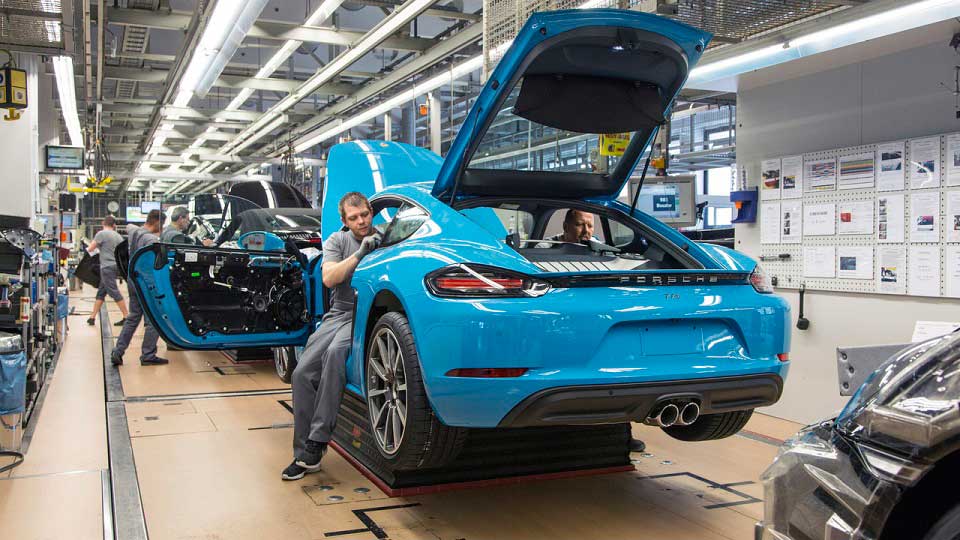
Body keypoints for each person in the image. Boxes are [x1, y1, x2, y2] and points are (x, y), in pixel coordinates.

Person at [282, 192, 381, 481]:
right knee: (301, 374)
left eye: (364, 214)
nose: (361, 221)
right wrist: (361, 253)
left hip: (365, 314)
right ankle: (303, 456)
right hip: (339, 312)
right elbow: (329, 278)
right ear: (344, 220)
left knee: (336, 355)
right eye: (354, 218)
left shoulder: (387, 239)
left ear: (370, 210)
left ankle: (316, 443)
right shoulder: (338, 241)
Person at [111, 209, 168, 367]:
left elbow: (129, 230)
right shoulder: (150, 239)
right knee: (154, 319)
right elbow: (153, 265)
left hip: (133, 280)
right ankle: (148, 355)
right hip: (146, 282)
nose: (161, 228)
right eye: (161, 225)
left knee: (133, 317)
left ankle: (118, 351)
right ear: (157, 222)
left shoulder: (135, 233)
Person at [86, 215, 129, 326]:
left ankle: (126, 316)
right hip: (115, 266)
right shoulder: (118, 236)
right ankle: (92, 317)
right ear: (114, 225)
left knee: (113, 291)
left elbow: (91, 248)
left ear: (103, 223)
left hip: (106, 267)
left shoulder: (101, 234)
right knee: (101, 292)